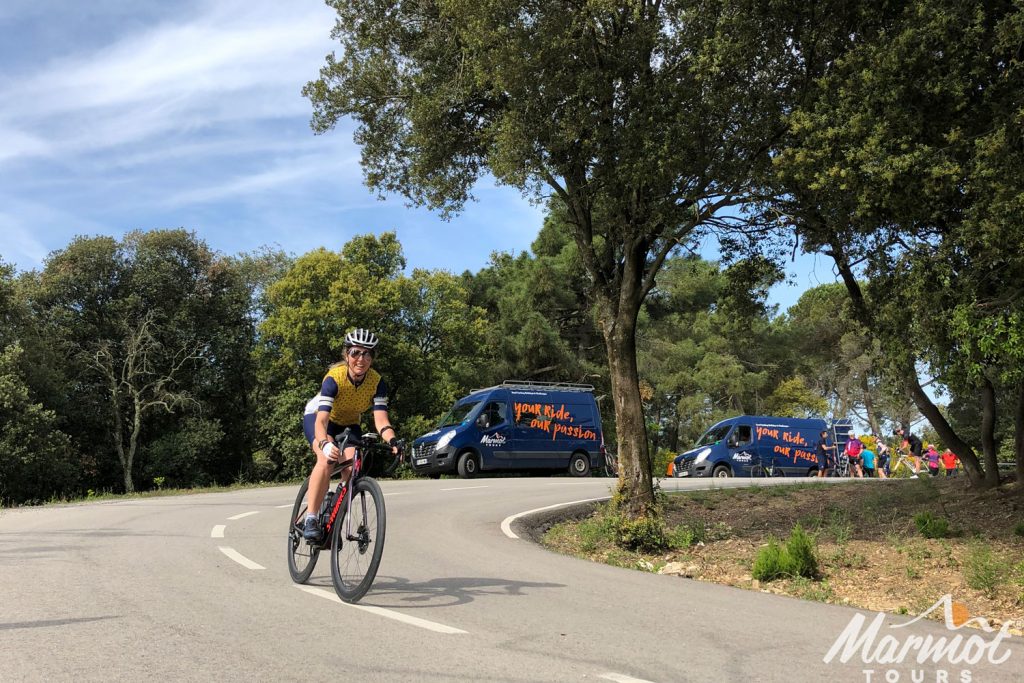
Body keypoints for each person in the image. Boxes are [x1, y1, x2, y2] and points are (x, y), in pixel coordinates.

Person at [301, 328, 399, 541]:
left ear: (372, 358)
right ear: (347, 355)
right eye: (355, 352)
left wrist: (392, 440)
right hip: (319, 419)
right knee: (326, 460)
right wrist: (325, 443)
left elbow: (381, 419)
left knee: (353, 465)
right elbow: (321, 421)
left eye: (366, 354)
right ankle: (311, 517)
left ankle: (334, 510)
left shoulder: (376, 382)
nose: (360, 359)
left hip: (349, 424)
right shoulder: (334, 378)